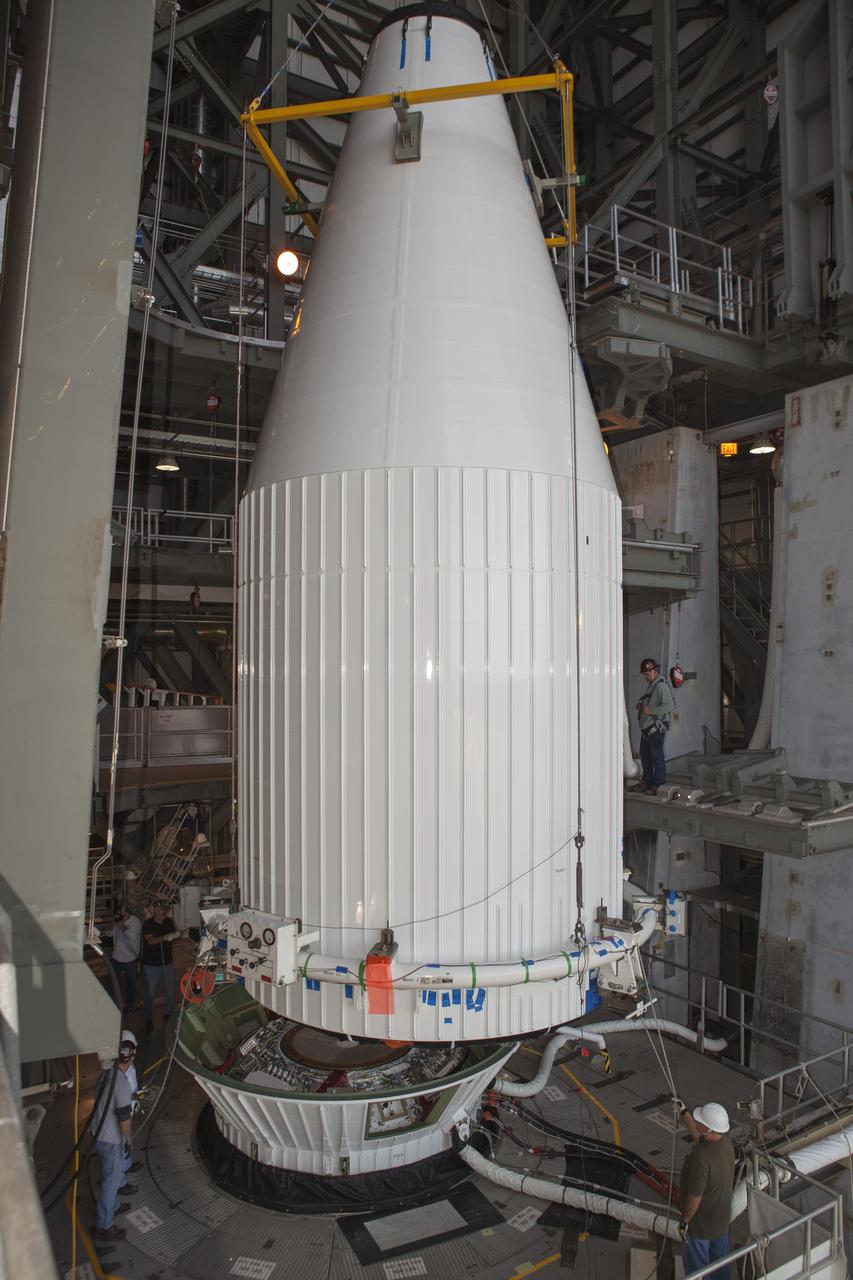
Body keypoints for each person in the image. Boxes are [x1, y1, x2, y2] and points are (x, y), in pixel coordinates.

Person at [674, 1099, 736, 1278]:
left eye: (701, 1121)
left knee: (698, 1269)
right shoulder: (725, 1145)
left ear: (710, 1130)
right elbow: (698, 1135)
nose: (698, 1122)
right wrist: (685, 1112)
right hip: (721, 1220)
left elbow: (695, 1196)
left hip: (701, 1225)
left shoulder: (702, 1158)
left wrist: (685, 1221)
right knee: (721, 1263)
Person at [91, 1038, 137, 1240]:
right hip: (111, 1139)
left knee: (113, 1173)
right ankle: (104, 1225)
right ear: (131, 1057)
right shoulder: (122, 1083)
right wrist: (129, 1140)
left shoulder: (105, 1075)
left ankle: (114, 1206)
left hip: (97, 1133)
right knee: (110, 1181)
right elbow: (124, 1116)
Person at [635, 657, 675, 794]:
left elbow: (669, 705)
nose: (645, 677)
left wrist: (652, 711)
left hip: (655, 729)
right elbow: (651, 701)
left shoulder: (661, 686)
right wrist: (641, 706)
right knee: (645, 756)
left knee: (656, 757)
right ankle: (647, 781)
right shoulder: (652, 685)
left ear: (652, 671)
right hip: (647, 729)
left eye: (646, 674)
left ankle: (659, 784)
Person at [141, 901, 180, 1032]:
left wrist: (176, 934)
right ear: (154, 910)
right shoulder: (148, 924)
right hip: (151, 965)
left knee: (170, 989)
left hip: (167, 962)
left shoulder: (169, 922)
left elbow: (174, 935)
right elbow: (151, 941)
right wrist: (165, 937)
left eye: (165, 910)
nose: (163, 912)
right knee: (150, 993)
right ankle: (148, 1019)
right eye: (160, 909)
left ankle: (168, 1013)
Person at [108, 905, 142, 1012]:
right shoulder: (118, 920)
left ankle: (129, 1003)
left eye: (123, 913)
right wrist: (112, 924)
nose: (122, 915)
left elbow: (129, 937)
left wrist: (120, 923)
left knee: (130, 983)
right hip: (116, 957)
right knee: (112, 982)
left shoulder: (136, 922)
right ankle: (111, 1002)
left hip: (130, 959)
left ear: (128, 912)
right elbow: (109, 934)